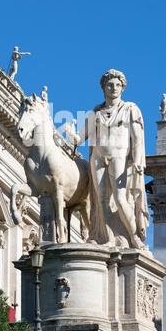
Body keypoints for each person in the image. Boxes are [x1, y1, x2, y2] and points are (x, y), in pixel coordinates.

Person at [65, 69, 149, 250]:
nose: (114, 88)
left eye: (118, 85)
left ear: (123, 88)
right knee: (101, 200)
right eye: (110, 84)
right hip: (98, 157)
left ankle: (135, 238)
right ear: (103, 88)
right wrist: (70, 132)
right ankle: (109, 238)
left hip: (119, 156)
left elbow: (137, 138)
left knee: (120, 198)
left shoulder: (130, 109)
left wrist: (137, 160)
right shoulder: (96, 112)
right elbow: (80, 138)